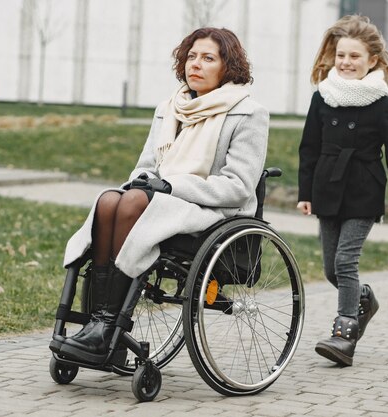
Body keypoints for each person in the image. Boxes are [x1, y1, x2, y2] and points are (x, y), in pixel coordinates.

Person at [54, 27, 269, 362]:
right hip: (161, 200)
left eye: (208, 58)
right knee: (110, 199)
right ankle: (99, 322)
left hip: (210, 210)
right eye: (192, 56)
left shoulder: (248, 112)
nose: (195, 64)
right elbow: (146, 167)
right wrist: (147, 183)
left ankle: (108, 326)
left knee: (136, 201)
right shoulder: (170, 108)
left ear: (228, 66)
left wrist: (171, 186)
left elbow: (238, 187)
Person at [297, 15, 388, 367]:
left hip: (363, 191)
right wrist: (304, 191)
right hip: (327, 189)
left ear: (372, 61)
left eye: (355, 57)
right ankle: (362, 300)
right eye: (341, 55)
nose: (346, 62)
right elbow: (308, 148)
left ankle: (344, 333)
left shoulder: (381, 103)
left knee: (345, 261)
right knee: (329, 270)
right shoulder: (322, 98)